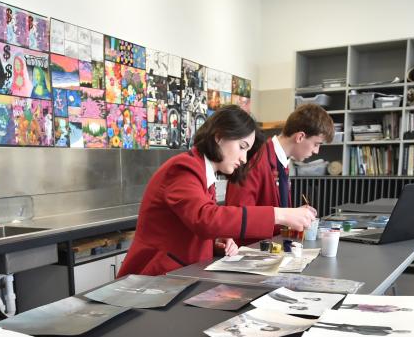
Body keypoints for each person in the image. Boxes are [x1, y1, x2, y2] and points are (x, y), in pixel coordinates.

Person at [117, 105, 316, 277]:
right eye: (241, 147)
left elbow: (190, 227)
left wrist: (214, 243)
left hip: (178, 276)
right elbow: (205, 218)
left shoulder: (205, 175)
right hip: (152, 278)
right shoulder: (183, 168)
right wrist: (279, 214)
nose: (244, 159)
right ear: (219, 137)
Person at [226, 104, 334, 245]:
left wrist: (294, 214)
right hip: (250, 251)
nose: (316, 151)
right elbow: (238, 218)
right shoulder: (255, 159)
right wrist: (286, 215)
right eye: (316, 144)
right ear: (300, 137)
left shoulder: (281, 162)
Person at [312, 322, 411, 337]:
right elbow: (371, 327)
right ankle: (317, 323)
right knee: (336, 324)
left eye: (402, 333)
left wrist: (355, 330)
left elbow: (367, 333)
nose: (400, 331)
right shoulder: (388, 328)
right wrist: (356, 327)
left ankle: (316, 326)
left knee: (333, 329)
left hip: (355, 330)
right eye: (403, 330)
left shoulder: (385, 334)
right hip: (356, 326)